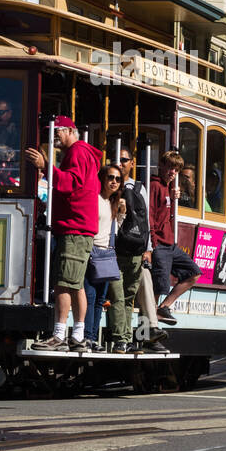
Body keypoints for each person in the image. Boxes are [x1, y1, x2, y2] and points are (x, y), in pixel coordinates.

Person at [25, 116, 101, 352]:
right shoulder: (83, 152)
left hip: (74, 228)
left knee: (63, 283)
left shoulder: (77, 152)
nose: (53, 136)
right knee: (75, 284)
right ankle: (77, 336)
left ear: (70, 130)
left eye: (56, 131)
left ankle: (59, 334)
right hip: (78, 227)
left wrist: (44, 166)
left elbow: (70, 183)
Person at [107, 147, 167, 353]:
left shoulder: (138, 188)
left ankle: (146, 330)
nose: (120, 163)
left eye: (124, 159)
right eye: (116, 159)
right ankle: (143, 331)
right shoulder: (108, 183)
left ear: (132, 163)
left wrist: (147, 248)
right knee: (121, 294)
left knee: (143, 277)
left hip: (133, 248)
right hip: (112, 249)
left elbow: (145, 220)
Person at [150, 150, 203, 326]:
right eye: (170, 167)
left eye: (176, 169)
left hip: (170, 244)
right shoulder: (155, 186)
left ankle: (164, 307)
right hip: (159, 244)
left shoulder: (169, 188)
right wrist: (152, 244)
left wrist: (173, 199)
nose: (173, 172)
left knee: (193, 273)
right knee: (158, 286)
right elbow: (150, 216)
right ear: (161, 166)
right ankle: (149, 326)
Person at [83, 165, 126, 352]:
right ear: (102, 178)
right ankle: (86, 337)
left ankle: (92, 338)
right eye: (110, 177)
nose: (114, 182)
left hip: (106, 255)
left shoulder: (113, 203)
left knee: (100, 298)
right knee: (90, 296)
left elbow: (115, 229)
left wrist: (122, 213)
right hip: (92, 252)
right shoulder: (95, 199)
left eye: (118, 179)